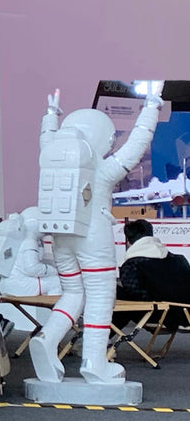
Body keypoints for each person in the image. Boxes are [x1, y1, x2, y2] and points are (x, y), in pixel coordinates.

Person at [29, 90, 161, 384]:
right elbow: (137, 144)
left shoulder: (53, 156)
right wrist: (151, 107)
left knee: (73, 293)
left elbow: (45, 141)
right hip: (94, 235)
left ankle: (48, 338)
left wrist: (50, 115)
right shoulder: (103, 168)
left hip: (61, 233)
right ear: (104, 139)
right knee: (100, 296)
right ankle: (94, 361)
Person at [117, 219, 190, 331]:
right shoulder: (179, 260)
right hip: (186, 315)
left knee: (116, 295)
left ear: (128, 241)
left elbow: (135, 298)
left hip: (159, 316)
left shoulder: (132, 265)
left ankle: (101, 337)